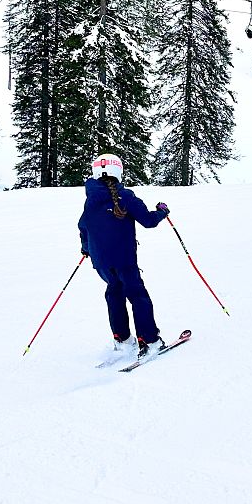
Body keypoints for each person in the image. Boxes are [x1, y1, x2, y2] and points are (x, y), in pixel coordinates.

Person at [78, 153, 170, 361]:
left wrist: (86, 248)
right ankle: (150, 340)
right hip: (124, 260)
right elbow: (148, 220)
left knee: (114, 293)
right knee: (137, 295)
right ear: (118, 171)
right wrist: (162, 212)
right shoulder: (126, 196)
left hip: (101, 262)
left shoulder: (90, 200)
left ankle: (122, 339)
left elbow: (83, 226)